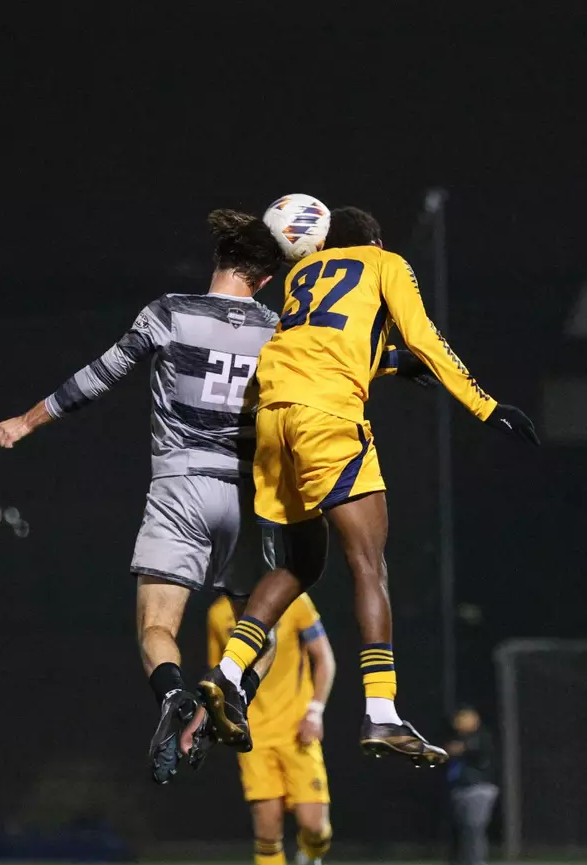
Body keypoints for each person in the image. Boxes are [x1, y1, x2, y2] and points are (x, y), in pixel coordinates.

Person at [201, 205, 539, 764]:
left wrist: (389, 362)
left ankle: (228, 673)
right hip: (327, 417)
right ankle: (382, 713)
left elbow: (324, 338)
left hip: (271, 416)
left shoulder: (299, 276)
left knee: (299, 566)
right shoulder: (384, 263)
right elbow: (426, 336)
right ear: (375, 242)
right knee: (368, 564)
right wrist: (486, 407)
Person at [0, 210, 285, 782]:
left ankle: (176, 699)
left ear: (220, 262)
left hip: (179, 489)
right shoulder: (278, 327)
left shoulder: (170, 313)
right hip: (249, 497)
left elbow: (100, 375)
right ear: (266, 279)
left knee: (157, 627)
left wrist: (28, 421)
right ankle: (233, 692)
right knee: (260, 632)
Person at [206, 591, 335, 865]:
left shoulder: (295, 601)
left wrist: (315, 711)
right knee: (267, 828)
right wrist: (215, 722)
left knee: (316, 829)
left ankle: (310, 861)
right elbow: (219, 678)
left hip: (297, 732)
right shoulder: (219, 614)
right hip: (255, 737)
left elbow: (324, 658)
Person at [446, 705, 499, 865]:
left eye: (466, 718)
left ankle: (476, 864)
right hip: (460, 788)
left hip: (479, 788)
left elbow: (478, 751)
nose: (461, 722)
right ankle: (460, 863)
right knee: (461, 828)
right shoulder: (455, 738)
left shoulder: (481, 737)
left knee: (474, 826)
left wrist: (462, 749)